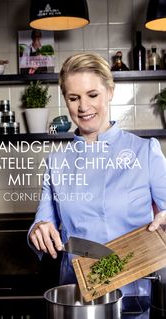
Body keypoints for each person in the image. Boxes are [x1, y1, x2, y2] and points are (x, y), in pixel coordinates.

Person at [28, 52, 166, 295]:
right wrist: (38, 231)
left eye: (93, 95)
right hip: (79, 294)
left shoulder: (145, 151)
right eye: (73, 98)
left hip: (140, 293)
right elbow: (42, 224)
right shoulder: (57, 162)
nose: (83, 107)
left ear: (110, 92)